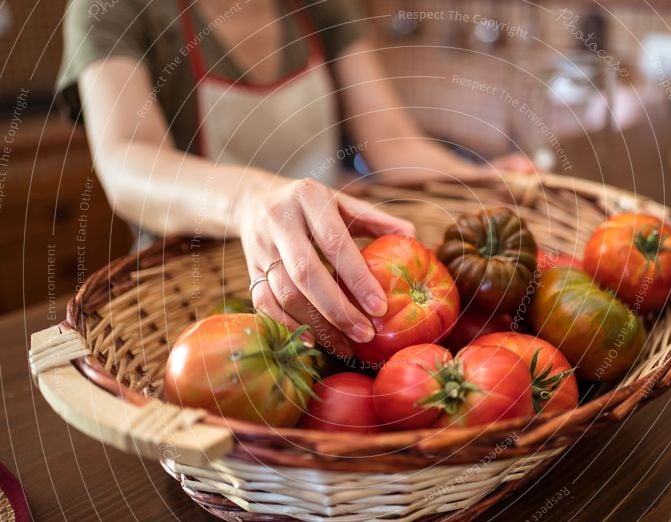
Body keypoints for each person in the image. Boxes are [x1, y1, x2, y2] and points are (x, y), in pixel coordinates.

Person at [57, 0, 535, 355]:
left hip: (340, 284)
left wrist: (478, 178)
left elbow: (389, 138)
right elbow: (126, 159)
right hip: (191, 307)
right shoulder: (113, 9)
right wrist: (251, 199)